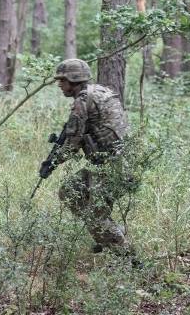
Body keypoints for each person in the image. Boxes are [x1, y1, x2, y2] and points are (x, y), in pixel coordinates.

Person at [40, 58, 134, 257]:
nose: (59, 85)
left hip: (111, 166)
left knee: (95, 215)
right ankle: (106, 236)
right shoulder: (99, 92)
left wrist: (51, 164)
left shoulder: (83, 101)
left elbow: (71, 145)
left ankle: (127, 257)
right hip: (116, 163)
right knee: (69, 191)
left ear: (74, 80)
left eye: (62, 81)